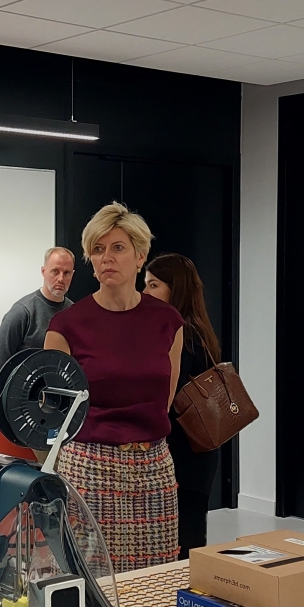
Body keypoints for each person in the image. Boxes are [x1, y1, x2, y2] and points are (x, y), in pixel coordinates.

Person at [45, 202, 184, 572]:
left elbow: (164, 399)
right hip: (89, 466)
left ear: (140, 257)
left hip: (153, 467)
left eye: (118, 247)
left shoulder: (168, 321)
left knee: (155, 578)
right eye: (98, 249)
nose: (107, 257)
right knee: (92, 581)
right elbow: (57, 413)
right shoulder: (66, 326)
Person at [144, 253, 222, 559]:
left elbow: (167, 391)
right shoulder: (199, 327)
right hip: (198, 448)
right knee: (189, 532)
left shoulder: (184, 333)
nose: (145, 292)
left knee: (183, 540)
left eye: (153, 285)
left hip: (185, 450)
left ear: (174, 289)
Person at [0, 246, 76, 375]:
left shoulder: (74, 313)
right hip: (23, 387)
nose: (60, 279)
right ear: (43, 271)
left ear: (72, 275)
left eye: (66, 273)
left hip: (62, 385)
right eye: (55, 271)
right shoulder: (22, 312)